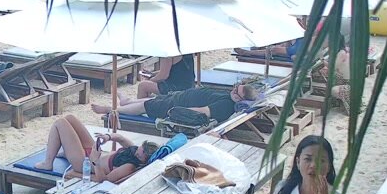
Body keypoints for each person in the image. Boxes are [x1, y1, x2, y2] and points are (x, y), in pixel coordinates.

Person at [33, 114, 156, 183]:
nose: (138, 153)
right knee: (70, 118)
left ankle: (48, 163)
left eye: (141, 155)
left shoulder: (129, 166)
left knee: (60, 123)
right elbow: (120, 138)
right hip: (95, 153)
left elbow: (104, 180)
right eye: (140, 150)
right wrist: (107, 137)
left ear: (144, 161)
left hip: (84, 163)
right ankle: (67, 152)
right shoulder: (133, 151)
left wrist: (78, 174)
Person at [93, 83, 262, 124]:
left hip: (176, 105)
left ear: (241, 99)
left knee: (146, 107)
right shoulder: (230, 98)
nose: (233, 90)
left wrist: (177, 111)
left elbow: (203, 111)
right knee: (152, 100)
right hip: (179, 97)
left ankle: (113, 110)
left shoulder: (225, 106)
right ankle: (126, 101)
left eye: (236, 91)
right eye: (235, 87)